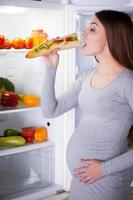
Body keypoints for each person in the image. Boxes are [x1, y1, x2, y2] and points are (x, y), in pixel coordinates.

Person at [41, 10, 133, 200]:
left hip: (107, 181)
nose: (83, 33)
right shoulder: (88, 75)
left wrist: (103, 169)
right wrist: (51, 68)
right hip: (81, 181)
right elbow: (50, 110)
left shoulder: (128, 81)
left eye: (92, 29)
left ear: (112, 36)